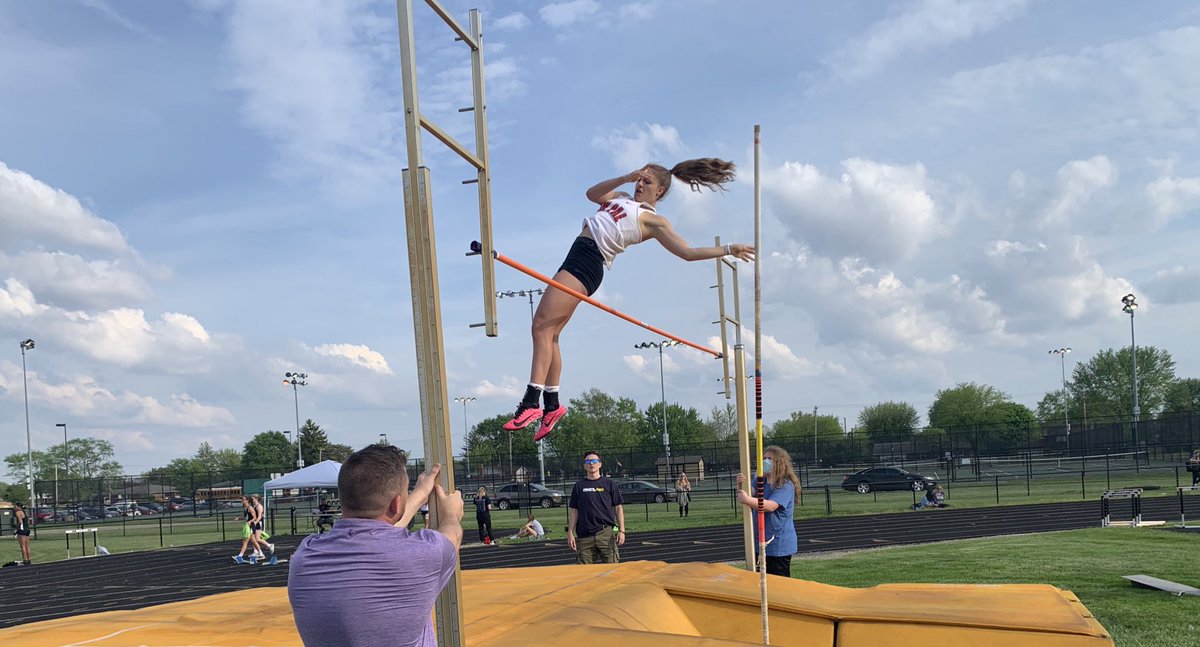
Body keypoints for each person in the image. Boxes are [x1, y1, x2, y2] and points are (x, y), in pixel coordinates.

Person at [502, 161, 756, 440]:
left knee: (540, 327)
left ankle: (531, 401)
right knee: (550, 335)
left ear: (659, 191)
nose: (639, 184)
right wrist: (623, 177)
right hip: (577, 256)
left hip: (588, 260)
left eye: (646, 182)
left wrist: (729, 248)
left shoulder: (654, 221)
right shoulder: (621, 197)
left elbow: (687, 252)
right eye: (639, 179)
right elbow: (591, 194)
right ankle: (551, 406)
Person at [288, 444, 462, 647]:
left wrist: (417, 495)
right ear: (397, 503)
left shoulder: (305, 556)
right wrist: (451, 513)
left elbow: (374, 528)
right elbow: (453, 536)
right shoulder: (425, 553)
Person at [736, 445, 799, 578]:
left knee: (778, 584)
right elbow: (749, 493)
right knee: (759, 581)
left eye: (770, 459)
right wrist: (740, 485)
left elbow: (770, 506)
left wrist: (747, 500)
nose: (765, 461)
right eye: (764, 458)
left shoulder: (785, 485)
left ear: (779, 463)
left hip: (778, 545)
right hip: (760, 542)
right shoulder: (761, 480)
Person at [568, 450, 625, 564]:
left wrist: (621, 531)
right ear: (584, 466)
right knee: (585, 574)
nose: (591, 464)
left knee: (612, 571)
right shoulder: (579, 486)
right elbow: (575, 511)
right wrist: (570, 532)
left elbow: (618, 508)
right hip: (584, 535)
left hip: (606, 533)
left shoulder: (609, 484)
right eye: (588, 461)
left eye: (594, 461)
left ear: (600, 464)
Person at [232, 495, 264, 564]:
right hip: (247, 526)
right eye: (242, 499)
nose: (242, 501)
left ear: (247, 500)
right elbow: (245, 516)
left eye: (243, 499)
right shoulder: (245, 508)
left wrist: (250, 521)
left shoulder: (250, 508)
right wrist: (239, 518)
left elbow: (255, 517)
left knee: (245, 541)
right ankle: (261, 553)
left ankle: (240, 556)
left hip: (251, 526)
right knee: (253, 540)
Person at [249, 494, 275, 559]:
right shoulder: (253, 506)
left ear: (256, 498)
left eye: (252, 499)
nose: (251, 500)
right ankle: (256, 552)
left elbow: (260, 516)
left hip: (258, 523)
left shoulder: (259, 506)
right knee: (253, 538)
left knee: (257, 538)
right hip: (255, 523)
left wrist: (255, 522)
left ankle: (269, 545)